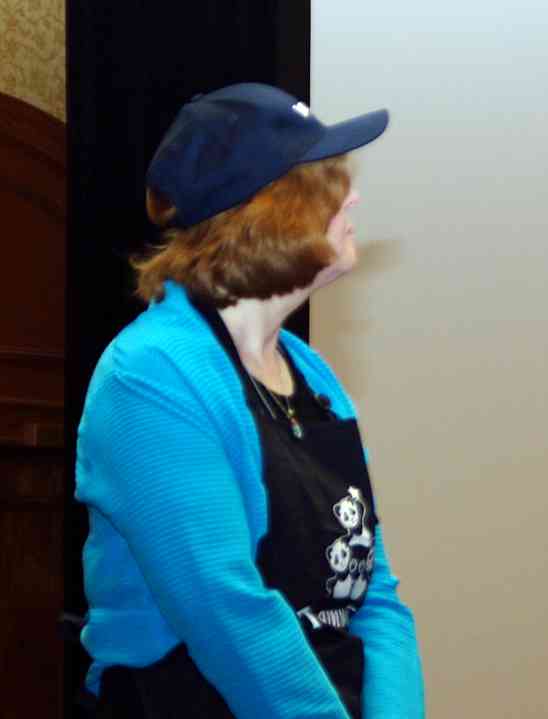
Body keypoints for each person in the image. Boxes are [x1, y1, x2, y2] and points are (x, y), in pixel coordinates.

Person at [75, 83, 424, 719]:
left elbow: (376, 596)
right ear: (268, 212)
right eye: (326, 181)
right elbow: (228, 613)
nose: (353, 196)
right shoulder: (151, 377)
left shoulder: (313, 375)